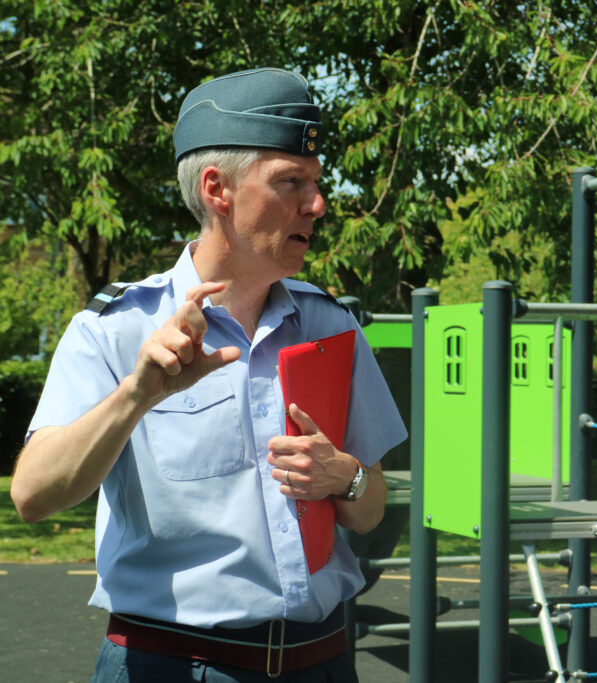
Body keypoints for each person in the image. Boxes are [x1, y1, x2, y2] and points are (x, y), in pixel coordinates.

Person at [10, 67, 407, 682]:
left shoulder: (332, 325)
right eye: (290, 182)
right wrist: (138, 394)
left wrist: (345, 477)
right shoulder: (116, 329)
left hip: (323, 661)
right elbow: (33, 495)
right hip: (169, 667)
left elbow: (373, 506)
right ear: (217, 188)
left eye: (316, 183)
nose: (318, 204)